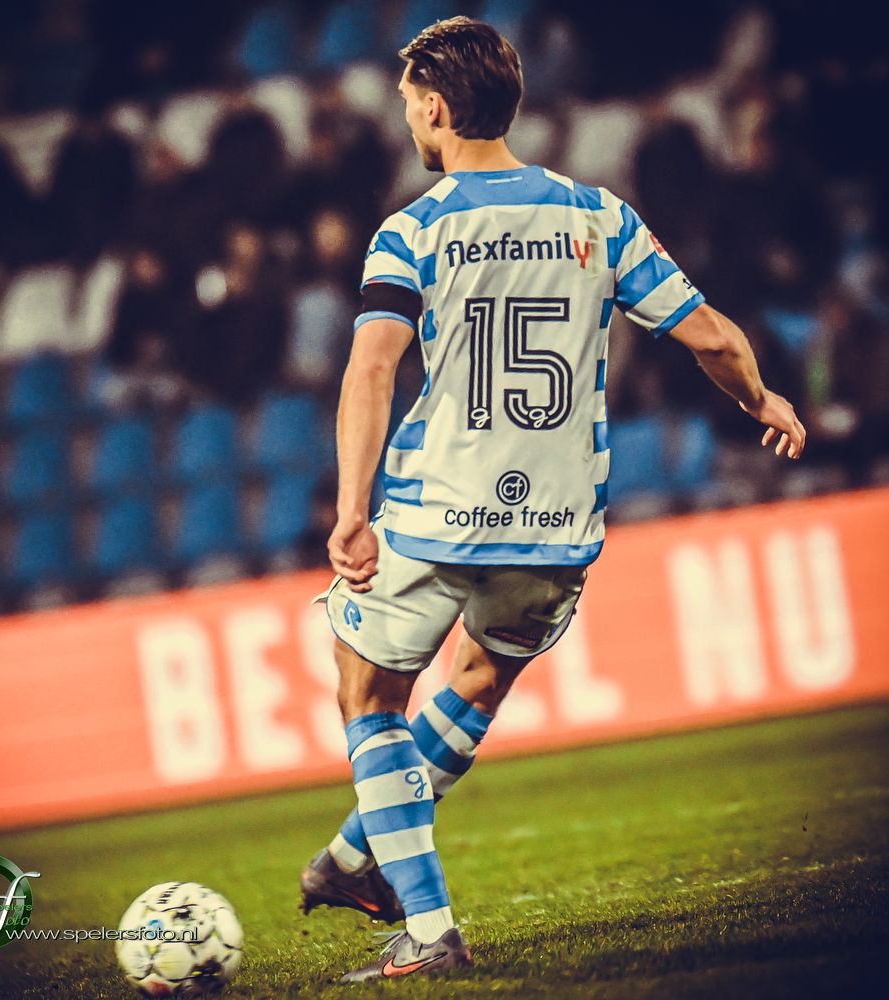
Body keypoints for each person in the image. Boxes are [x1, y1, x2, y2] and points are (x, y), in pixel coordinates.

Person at [301, 17, 805, 984]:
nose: (407, 119)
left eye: (409, 104)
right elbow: (708, 334)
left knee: (369, 691)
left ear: (436, 109)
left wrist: (351, 508)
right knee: (478, 681)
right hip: (558, 524)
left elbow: (371, 369)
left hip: (438, 510)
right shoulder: (599, 216)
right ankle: (355, 857)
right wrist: (761, 399)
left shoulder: (414, 230)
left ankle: (429, 927)